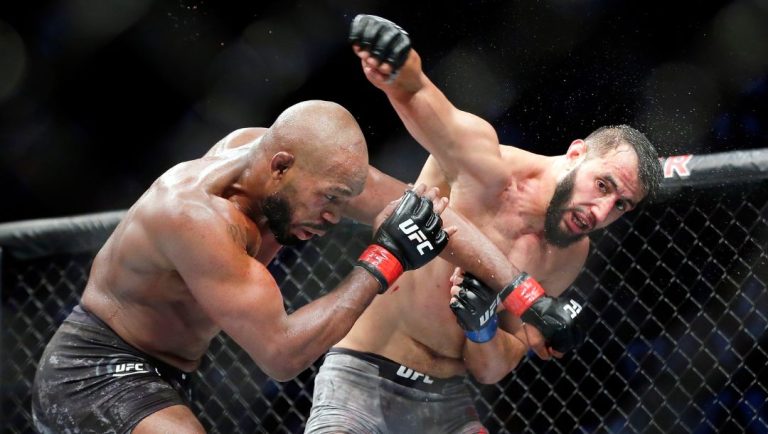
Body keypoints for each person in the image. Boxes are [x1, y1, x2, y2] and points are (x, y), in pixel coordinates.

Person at [304, 15, 663, 433]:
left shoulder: (569, 251)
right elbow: (416, 90)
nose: (602, 212)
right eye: (603, 185)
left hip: (448, 405)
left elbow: (494, 368)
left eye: (621, 205)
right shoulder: (486, 168)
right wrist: (395, 63)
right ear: (576, 153)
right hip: (362, 381)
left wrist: (483, 328)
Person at [31, 100, 459, 433]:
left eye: (341, 201)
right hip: (94, 372)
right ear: (280, 167)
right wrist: (385, 258)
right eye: (328, 198)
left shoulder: (273, 154)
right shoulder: (194, 217)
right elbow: (282, 353)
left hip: (167, 375)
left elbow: (407, 202)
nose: (334, 216)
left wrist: (517, 288)